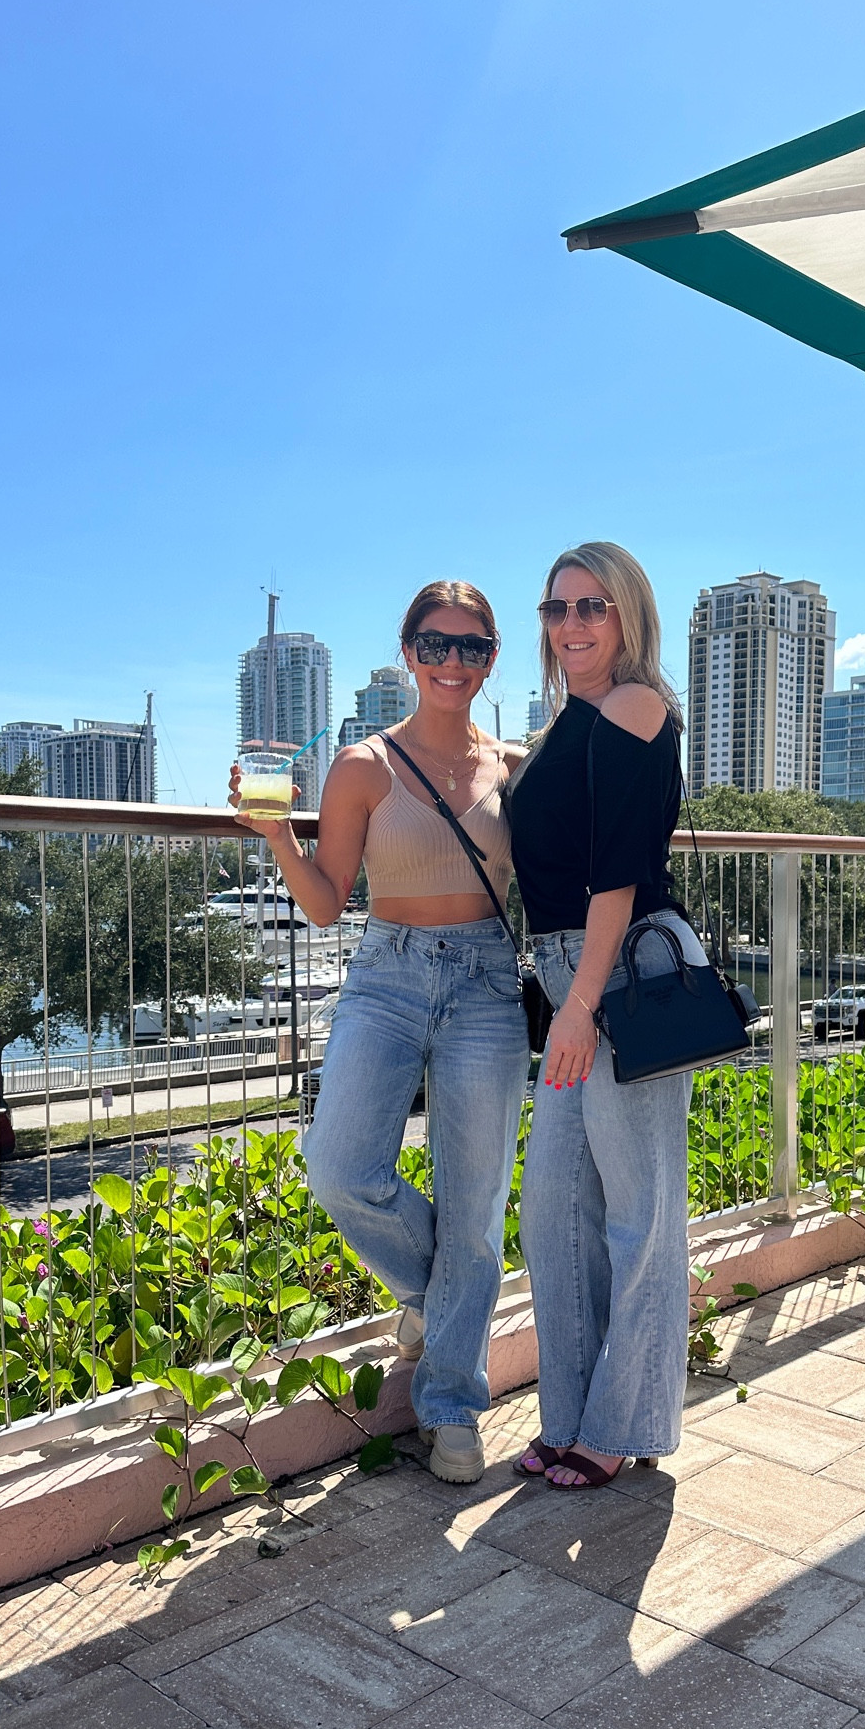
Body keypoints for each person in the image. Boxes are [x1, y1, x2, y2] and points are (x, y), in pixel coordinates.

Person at [230, 581, 528, 1484]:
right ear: (406, 653)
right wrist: (277, 836)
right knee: (341, 1165)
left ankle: (452, 1408)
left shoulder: (515, 769)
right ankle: (433, 1302)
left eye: (472, 648)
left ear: (491, 660)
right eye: (435, 644)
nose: (452, 663)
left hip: (486, 979)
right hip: (388, 971)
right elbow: (325, 906)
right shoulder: (362, 765)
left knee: (475, 1209)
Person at [506, 541, 700, 1489]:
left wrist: (578, 1006)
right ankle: (572, 1414)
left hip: (618, 972)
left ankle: (622, 1425)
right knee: (554, 1213)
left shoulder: (636, 705)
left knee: (641, 1214)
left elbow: (614, 875)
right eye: (556, 609)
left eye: (591, 607)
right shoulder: (567, 724)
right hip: (573, 973)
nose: (571, 625)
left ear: (627, 617)